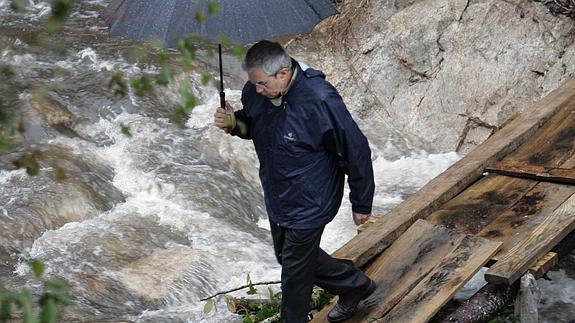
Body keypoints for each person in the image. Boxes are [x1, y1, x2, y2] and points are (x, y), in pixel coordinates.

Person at [214, 40, 376, 323]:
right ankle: (355, 285)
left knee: (294, 274)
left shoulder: (319, 98)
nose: (257, 90)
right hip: (279, 193)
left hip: (312, 198)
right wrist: (233, 124)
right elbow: (254, 125)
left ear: (283, 74)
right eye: (254, 84)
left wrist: (361, 200)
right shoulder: (257, 92)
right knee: (285, 255)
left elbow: (355, 147)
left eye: (262, 84)